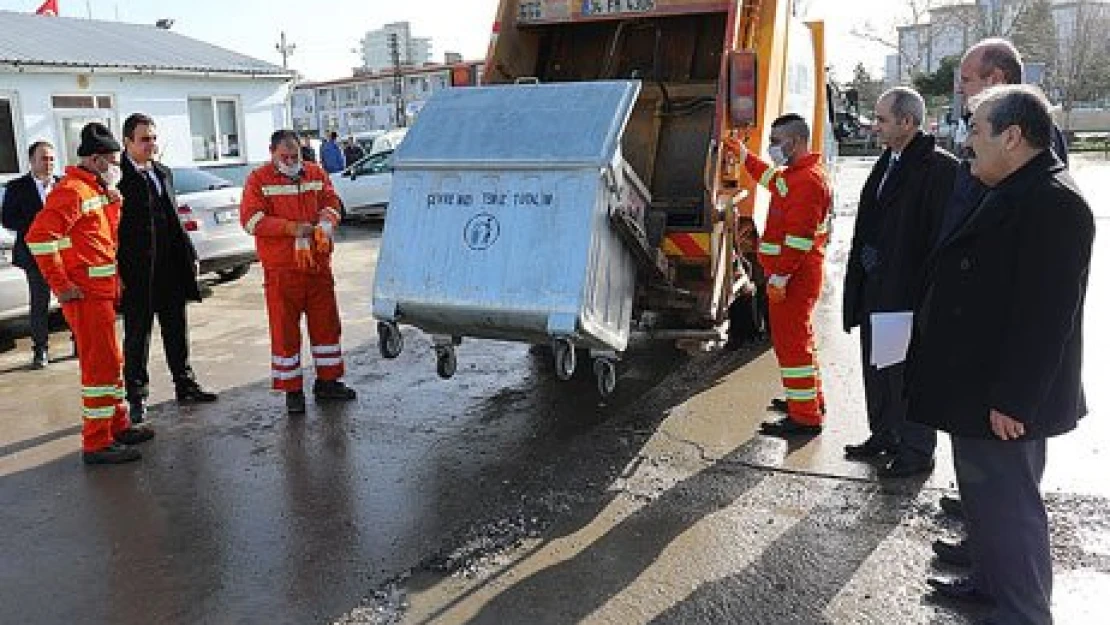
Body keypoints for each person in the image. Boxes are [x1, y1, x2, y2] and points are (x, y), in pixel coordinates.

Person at [910, 84, 1093, 625]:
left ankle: (1022, 613)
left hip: (1003, 400)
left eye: (975, 129)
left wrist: (1014, 399)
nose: (967, 142)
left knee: (1011, 515)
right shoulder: (1010, 187)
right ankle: (988, 586)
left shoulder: (1055, 203)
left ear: (1012, 136)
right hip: (976, 388)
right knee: (985, 506)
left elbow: (1045, 320)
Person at [932, 36, 1072, 567]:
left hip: (1002, 362)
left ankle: (1002, 581)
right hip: (978, 349)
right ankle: (983, 559)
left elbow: (1041, 301)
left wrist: (1015, 392)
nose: (961, 89)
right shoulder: (997, 151)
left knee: (1007, 486)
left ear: (995, 83)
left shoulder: (1038, 170)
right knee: (988, 482)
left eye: (967, 80)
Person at [842, 87, 958, 478]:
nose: (875, 126)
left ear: (907, 122)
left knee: (906, 376)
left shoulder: (938, 168)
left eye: (881, 120)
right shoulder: (888, 161)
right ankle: (884, 434)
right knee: (879, 369)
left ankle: (916, 451)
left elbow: (939, 238)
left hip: (906, 294)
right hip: (877, 288)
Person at [25, 122, 154, 464]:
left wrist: (114, 202)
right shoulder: (72, 191)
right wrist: (62, 286)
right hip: (83, 296)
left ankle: (118, 426)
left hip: (100, 292)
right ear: (97, 160)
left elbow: (101, 242)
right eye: (113, 160)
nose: (118, 166)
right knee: (99, 368)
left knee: (112, 363)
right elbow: (39, 238)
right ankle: (97, 443)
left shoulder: (95, 189)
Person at [726, 114, 832, 436]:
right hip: (794, 275)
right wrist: (745, 157)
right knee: (801, 340)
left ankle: (805, 417)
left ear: (796, 142)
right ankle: (810, 401)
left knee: (792, 343)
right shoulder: (797, 176)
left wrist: (780, 277)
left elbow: (798, 240)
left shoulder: (807, 182)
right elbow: (769, 178)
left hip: (793, 278)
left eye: (775, 141)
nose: (772, 147)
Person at [240, 129, 357, 414]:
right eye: (285, 156)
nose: (291, 161)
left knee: (326, 326)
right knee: (284, 331)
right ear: (272, 152)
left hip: (317, 266)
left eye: (295, 156)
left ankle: (328, 383)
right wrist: (291, 228)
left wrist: (327, 222)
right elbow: (251, 221)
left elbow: (332, 203)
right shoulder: (259, 179)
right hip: (282, 270)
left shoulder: (315, 173)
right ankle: (292, 390)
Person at [117, 113, 217, 423]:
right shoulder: (116, 178)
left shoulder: (163, 172)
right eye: (144, 139)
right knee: (138, 337)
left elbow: (173, 219)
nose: (151, 144)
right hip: (137, 274)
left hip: (170, 269)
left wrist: (189, 254)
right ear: (127, 142)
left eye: (154, 138)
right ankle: (136, 396)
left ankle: (184, 384)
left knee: (176, 330)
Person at [1, 140, 61, 368]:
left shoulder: (62, 184)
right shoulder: (17, 187)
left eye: (51, 159)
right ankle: (41, 350)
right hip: (35, 254)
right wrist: (37, 225)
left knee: (71, 301)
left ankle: (79, 343)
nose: (48, 164)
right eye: (43, 159)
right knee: (40, 303)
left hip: (63, 253)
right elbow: (7, 219)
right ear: (32, 161)